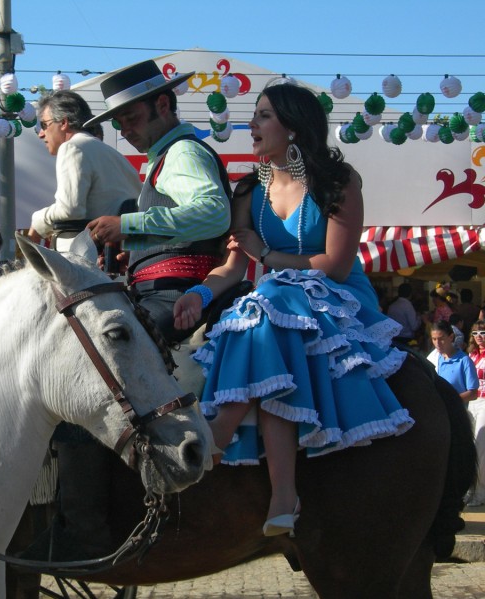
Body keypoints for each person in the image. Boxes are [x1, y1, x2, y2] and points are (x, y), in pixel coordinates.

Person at [172, 82, 413, 537]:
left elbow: (336, 266)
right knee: (263, 307)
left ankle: (220, 431)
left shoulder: (338, 183)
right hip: (277, 305)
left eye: (263, 116)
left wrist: (266, 257)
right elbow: (231, 266)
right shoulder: (248, 190)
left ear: (294, 126)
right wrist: (199, 295)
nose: (252, 125)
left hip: (335, 298)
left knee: (270, 298)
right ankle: (284, 494)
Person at [85, 60, 232, 343]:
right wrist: (138, 255)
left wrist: (130, 227)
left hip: (177, 298)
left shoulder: (182, 152)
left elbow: (214, 213)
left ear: (163, 105)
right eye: (119, 123)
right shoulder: (168, 155)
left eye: (132, 118)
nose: (125, 130)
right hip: (161, 294)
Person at [26, 90, 141, 245]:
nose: (41, 134)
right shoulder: (115, 155)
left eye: (44, 125)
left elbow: (70, 210)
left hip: (86, 262)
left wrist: (37, 220)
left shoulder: (72, 147)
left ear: (64, 123)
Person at [431, 320, 477, 402]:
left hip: (458, 412)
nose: (437, 343)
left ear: (451, 337)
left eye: (441, 339)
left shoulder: (464, 360)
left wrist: (450, 401)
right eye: (434, 339)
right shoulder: (433, 358)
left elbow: (473, 393)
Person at [466, 321, 485, 506]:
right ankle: (471, 488)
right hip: (472, 403)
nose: (479, 336)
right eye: (476, 332)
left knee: (481, 447)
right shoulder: (471, 355)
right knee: (470, 445)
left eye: (483, 332)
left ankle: (481, 491)